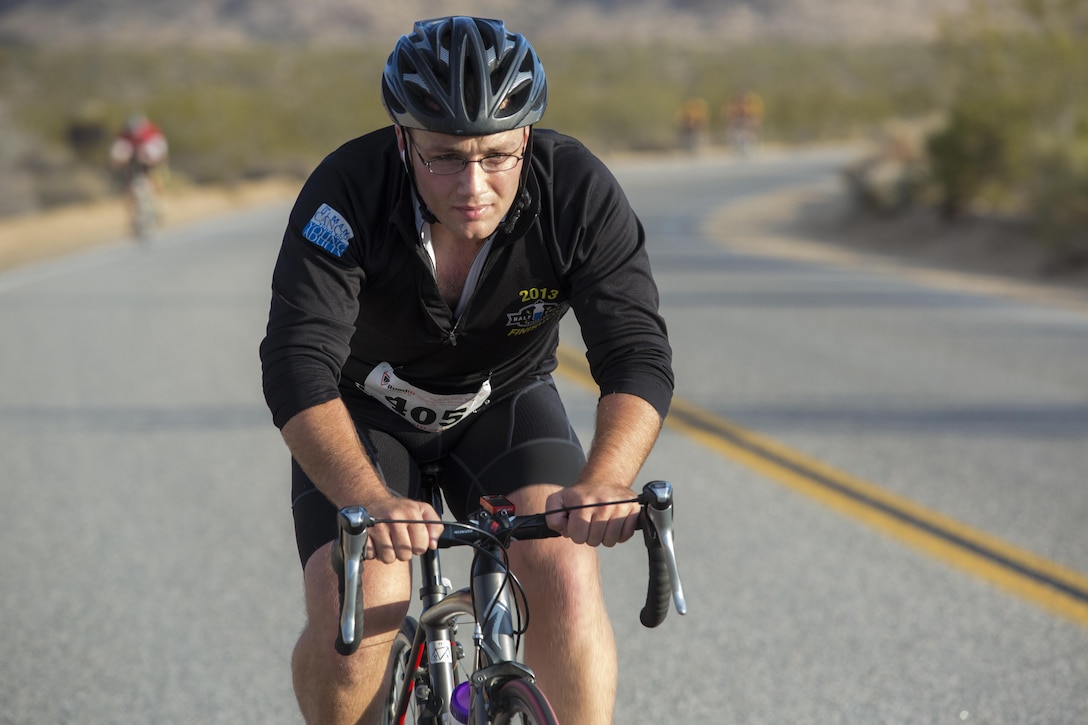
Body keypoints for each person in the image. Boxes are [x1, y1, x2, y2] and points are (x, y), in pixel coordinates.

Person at [259, 16, 673, 725]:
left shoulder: (576, 191)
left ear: (527, 138)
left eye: (497, 154)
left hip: (501, 403)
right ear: (403, 141)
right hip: (365, 417)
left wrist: (605, 479)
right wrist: (370, 496)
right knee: (357, 621)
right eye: (445, 157)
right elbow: (297, 364)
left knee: (566, 578)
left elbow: (635, 351)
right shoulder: (347, 193)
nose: (474, 185)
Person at [108, 113, 169, 231]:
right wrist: (118, 163)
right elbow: (116, 155)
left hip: (148, 163)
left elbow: (160, 152)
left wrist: (156, 160)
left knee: (155, 179)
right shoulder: (124, 138)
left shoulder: (151, 135)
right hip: (132, 166)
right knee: (129, 188)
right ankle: (132, 218)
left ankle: (160, 206)